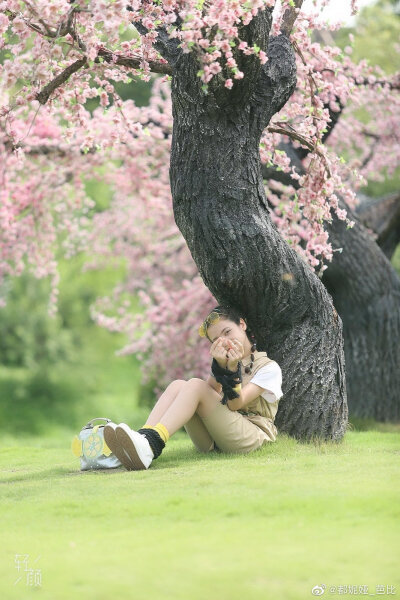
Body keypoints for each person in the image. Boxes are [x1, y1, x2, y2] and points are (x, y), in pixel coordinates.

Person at [104, 305, 283, 471]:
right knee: (179, 385)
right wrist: (220, 366)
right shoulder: (226, 361)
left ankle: (152, 444)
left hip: (251, 438)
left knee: (195, 385)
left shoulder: (269, 368)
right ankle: (142, 440)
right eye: (217, 340)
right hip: (217, 438)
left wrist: (232, 369)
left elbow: (236, 404)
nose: (226, 341)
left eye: (228, 332)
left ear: (242, 325)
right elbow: (208, 393)